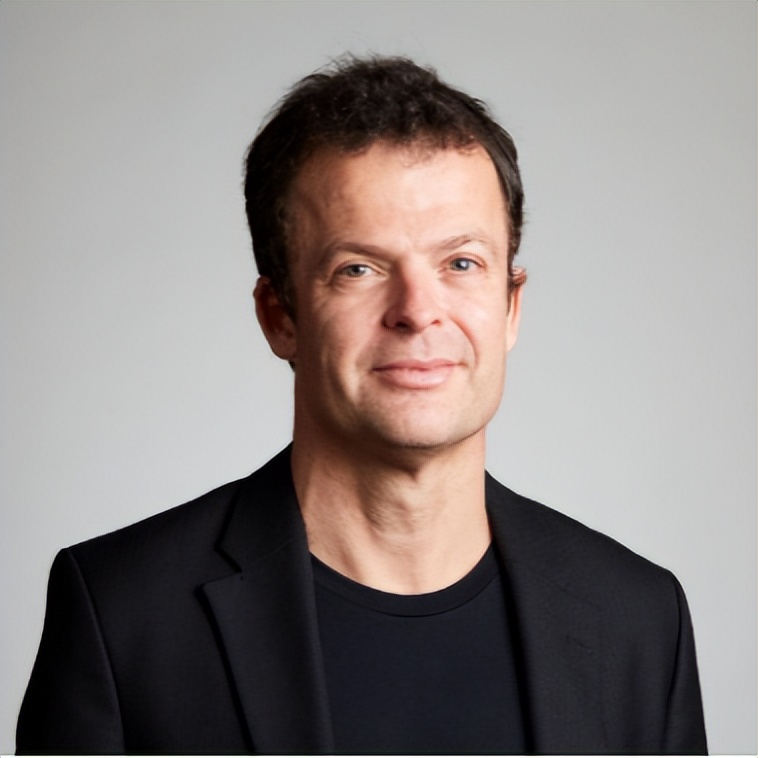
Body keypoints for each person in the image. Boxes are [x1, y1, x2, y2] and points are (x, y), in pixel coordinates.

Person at [16, 55, 707, 755]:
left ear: (511, 306)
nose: (417, 310)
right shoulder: (124, 615)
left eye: (460, 263)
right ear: (280, 315)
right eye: (359, 269)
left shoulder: (639, 620)